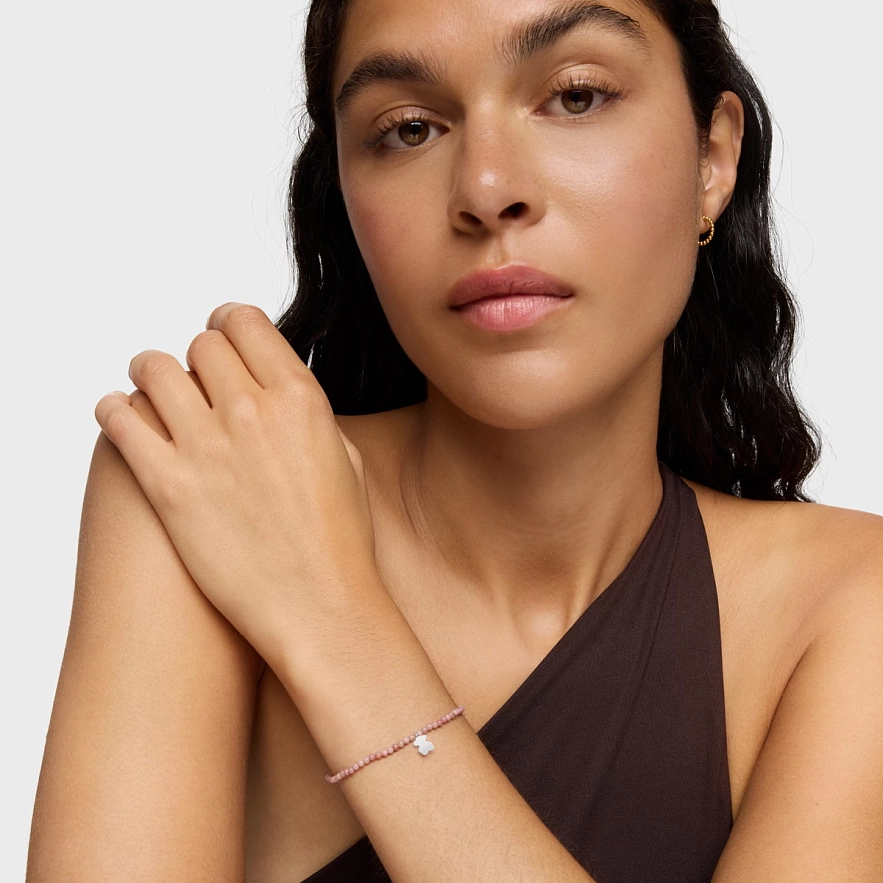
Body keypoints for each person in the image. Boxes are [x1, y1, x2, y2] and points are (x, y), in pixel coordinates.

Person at [27, 0, 883, 881]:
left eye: (575, 96)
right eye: (408, 129)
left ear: (712, 158)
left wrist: (331, 620)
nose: (486, 188)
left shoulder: (847, 605)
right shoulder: (205, 480)